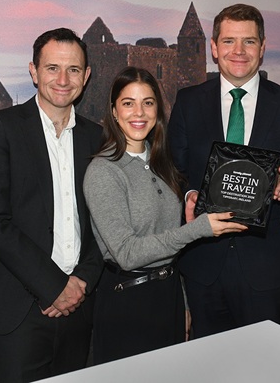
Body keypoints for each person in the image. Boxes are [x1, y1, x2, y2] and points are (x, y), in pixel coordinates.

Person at [0, 28, 104, 381]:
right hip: (19, 308)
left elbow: (104, 221)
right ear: (33, 71)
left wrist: (80, 283)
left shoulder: (98, 137)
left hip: (80, 304)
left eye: (73, 70)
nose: (62, 79)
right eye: (52, 67)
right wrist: (55, 287)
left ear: (86, 76)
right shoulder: (1, 127)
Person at [168, 3, 280, 338]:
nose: (239, 51)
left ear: (262, 48)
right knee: (209, 369)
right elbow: (175, 169)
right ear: (215, 49)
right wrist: (191, 194)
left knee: (265, 367)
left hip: (266, 269)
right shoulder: (188, 102)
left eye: (249, 41)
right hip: (204, 265)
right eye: (229, 41)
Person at [83, 67, 247, 363]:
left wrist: (182, 301)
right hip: (127, 304)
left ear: (158, 109)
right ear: (113, 111)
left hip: (168, 296)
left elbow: (171, 249)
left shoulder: (162, 163)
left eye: (148, 102)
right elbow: (127, 253)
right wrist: (199, 229)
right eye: (128, 103)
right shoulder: (103, 171)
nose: (139, 112)